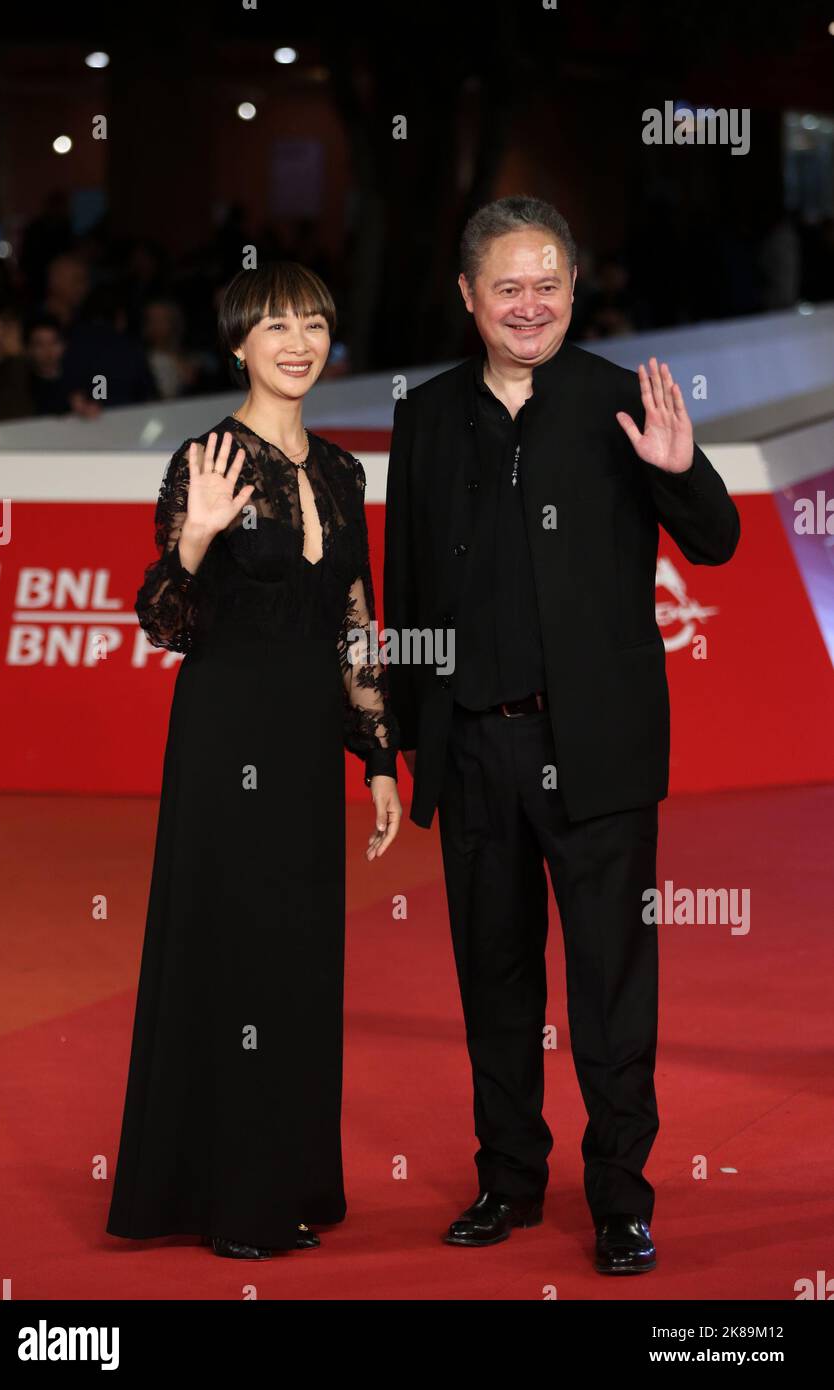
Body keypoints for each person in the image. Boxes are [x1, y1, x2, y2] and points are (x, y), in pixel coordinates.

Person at [382, 196, 740, 1274]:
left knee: (610, 986)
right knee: (491, 980)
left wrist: (678, 467)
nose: (527, 303)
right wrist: (406, 745)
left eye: (546, 283)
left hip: (596, 752)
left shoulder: (621, 402)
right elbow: (405, 591)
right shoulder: (428, 416)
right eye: (505, 285)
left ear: (573, 288)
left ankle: (620, 1200)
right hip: (472, 749)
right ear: (467, 296)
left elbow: (715, 542)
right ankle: (506, 1180)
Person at [106, 261, 402, 1260]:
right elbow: (161, 623)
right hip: (227, 732)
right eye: (274, 325)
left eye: (314, 324)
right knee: (232, 952)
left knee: (299, 956)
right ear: (236, 343)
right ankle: (232, 1200)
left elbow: (355, 620)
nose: (298, 341)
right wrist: (188, 539)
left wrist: (375, 759)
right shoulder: (205, 456)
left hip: (309, 738)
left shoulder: (342, 469)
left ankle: (294, 1179)